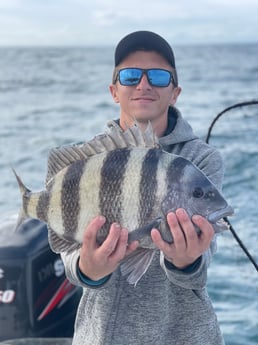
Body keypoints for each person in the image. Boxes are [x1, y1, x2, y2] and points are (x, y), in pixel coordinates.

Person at [49, 31, 225, 345]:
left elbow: (202, 266)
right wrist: (88, 266)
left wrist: (186, 260)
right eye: (130, 76)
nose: (143, 85)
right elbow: (71, 257)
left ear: (175, 92)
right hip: (103, 335)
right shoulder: (89, 159)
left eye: (158, 76)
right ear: (114, 91)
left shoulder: (201, 160)